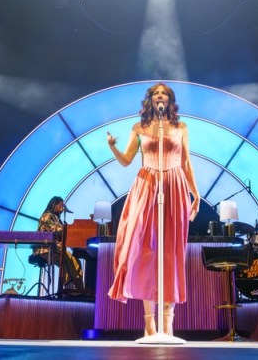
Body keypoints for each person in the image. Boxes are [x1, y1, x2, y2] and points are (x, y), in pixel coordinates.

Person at [106, 83, 200, 337]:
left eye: (164, 93)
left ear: (170, 100)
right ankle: (149, 322)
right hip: (147, 185)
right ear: (150, 99)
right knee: (144, 250)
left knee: (171, 252)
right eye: (156, 93)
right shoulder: (139, 128)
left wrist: (196, 193)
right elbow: (127, 160)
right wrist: (112, 147)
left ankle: (167, 323)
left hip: (175, 186)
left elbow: (186, 163)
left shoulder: (181, 127)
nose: (160, 96)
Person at [32, 196, 85, 296]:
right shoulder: (47, 216)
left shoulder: (56, 218)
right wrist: (70, 229)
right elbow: (55, 229)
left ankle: (76, 288)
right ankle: (72, 289)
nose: (62, 208)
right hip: (45, 249)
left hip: (56, 249)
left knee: (74, 260)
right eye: (61, 205)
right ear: (54, 205)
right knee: (67, 261)